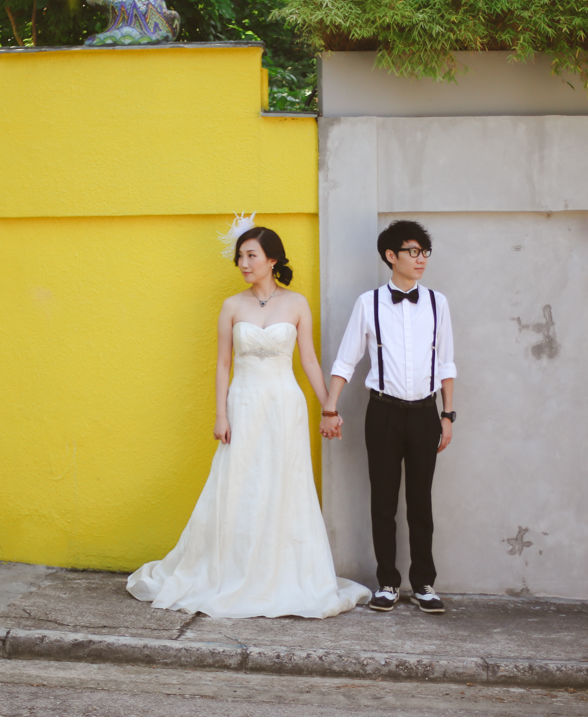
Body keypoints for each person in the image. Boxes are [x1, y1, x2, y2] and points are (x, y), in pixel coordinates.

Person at [126, 220, 370, 618]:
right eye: (240, 256)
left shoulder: (296, 304)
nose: (243, 262)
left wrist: (329, 406)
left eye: (251, 255)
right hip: (243, 402)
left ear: (272, 260)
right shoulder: (231, 306)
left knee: (282, 482)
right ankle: (230, 570)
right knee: (238, 482)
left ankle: (281, 574)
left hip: (283, 404)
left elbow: (307, 359)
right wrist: (220, 412)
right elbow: (223, 363)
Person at [320, 220, 456, 614]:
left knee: (420, 502)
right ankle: (388, 583)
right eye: (413, 251)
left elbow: (446, 361)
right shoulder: (368, 303)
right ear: (390, 256)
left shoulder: (437, 303)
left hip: (425, 414)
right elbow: (347, 359)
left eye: (425, 252)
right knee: (382, 501)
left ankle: (424, 583)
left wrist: (447, 415)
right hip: (382, 412)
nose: (421, 259)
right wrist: (330, 407)